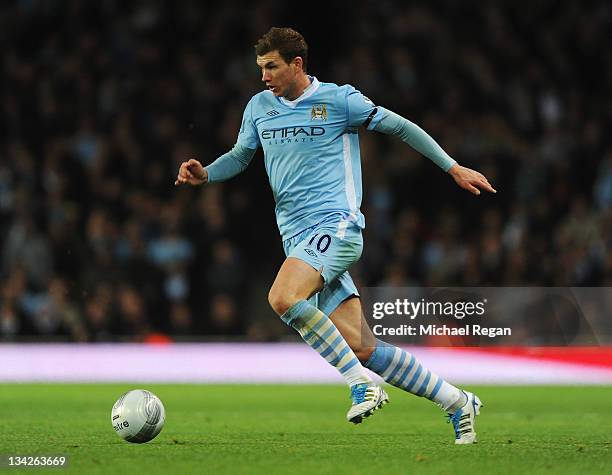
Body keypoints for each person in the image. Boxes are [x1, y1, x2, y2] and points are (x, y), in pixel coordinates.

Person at [175, 27, 495, 444]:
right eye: (260, 68)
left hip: (337, 226)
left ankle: (360, 384)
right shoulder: (259, 107)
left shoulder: (340, 100)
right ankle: (456, 401)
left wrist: (452, 167)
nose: (264, 76)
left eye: (271, 67)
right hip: (297, 238)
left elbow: (401, 127)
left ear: (297, 65)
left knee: (282, 297)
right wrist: (207, 174)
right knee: (364, 347)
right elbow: (240, 156)